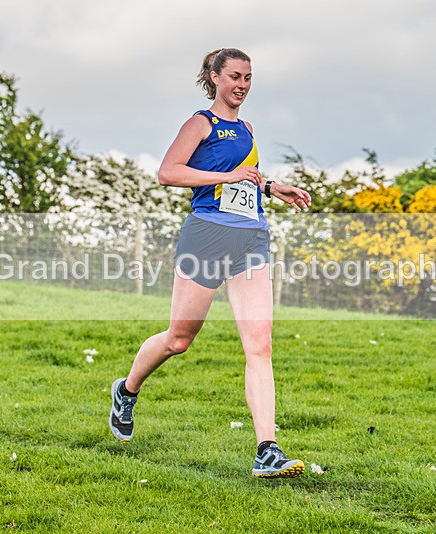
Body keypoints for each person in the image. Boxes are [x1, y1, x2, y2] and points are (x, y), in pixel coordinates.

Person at [109, 48, 312, 478]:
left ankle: (266, 450)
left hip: (251, 239)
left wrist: (273, 186)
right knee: (179, 339)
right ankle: (127, 390)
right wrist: (227, 178)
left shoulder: (248, 129)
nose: (242, 84)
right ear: (215, 77)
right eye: (235, 76)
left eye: (248, 77)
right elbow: (169, 172)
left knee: (260, 345)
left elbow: (244, 176)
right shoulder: (200, 123)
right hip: (205, 237)